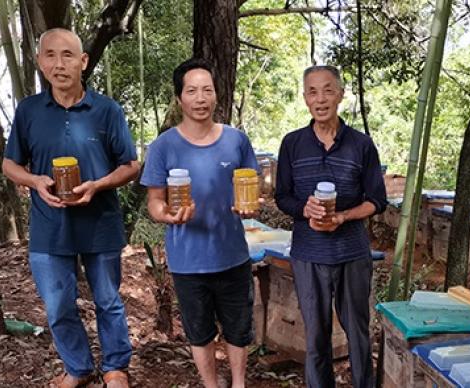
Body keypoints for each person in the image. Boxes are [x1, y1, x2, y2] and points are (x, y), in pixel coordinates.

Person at [2, 28, 137, 388]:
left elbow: (130, 165)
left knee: (108, 300)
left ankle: (115, 367)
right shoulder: (29, 110)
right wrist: (34, 182)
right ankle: (77, 367)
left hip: (100, 222)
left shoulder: (107, 110)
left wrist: (99, 184)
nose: (58, 64)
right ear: (39, 62)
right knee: (58, 306)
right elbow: (10, 164)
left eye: (67, 55)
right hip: (49, 225)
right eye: (50, 55)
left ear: (83, 62)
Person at [140, 58, 259, 388]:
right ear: (180, 98)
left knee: (238, 327)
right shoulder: (163, 146)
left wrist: (250, 207)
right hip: (187, 261)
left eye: (207, 89)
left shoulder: (236, 140)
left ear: (216, 94)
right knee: (199, 330)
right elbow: (154, 201)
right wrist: (165, 214)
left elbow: (249, 188)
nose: (201, 97)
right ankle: (210, 384)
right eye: (192, 90)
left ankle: (238, 383)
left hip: (232, 254)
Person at [274, 65, 387, 388]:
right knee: (316, 337)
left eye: (327, 90)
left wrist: (343, 216)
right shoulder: (292, 144)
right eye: (312, 91)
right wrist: (303, 208)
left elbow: (376, 200)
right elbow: (282, 196)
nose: (320, 98)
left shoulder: (361, 145)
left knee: (358, 333)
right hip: (308, 254)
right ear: (305, 98)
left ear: (340, 94)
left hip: (352, 252)